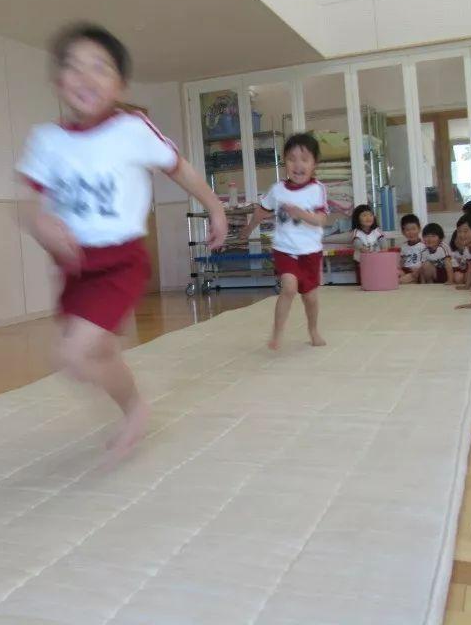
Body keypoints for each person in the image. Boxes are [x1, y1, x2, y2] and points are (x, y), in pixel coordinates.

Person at [17, 24, 227, 460]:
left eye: (100, 67)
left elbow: (179, 168)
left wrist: (215, 207)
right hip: (75, 264)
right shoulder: (47, 141)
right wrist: (39, 223)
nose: (86, 77)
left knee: (75, 355)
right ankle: (132, 405)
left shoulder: (132, 129)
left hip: (121, 261)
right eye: (74, 68)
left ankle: (134, 409)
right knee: (96, 354)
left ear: (120, 84)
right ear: (58, 83)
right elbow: (26, 202)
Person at [240, 133, 329, 349]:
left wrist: (302, 214)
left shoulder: (317, 190)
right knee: (288, 287)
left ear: (314, 164)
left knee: (310, 297)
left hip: (310, 252)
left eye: (304, 159)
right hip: (284, 249)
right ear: (284, 162)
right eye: (291, 158)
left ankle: (313, 329)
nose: (298, 165)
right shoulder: (277, 190)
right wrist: (248, 228)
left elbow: (321, 220)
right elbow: (261, 212)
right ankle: (277, 333)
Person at [452, 214, 471, 289]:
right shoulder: (466, 249)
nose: (461, 235)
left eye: (465, 231)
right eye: (459, 231)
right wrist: (467, 286)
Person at [398, 214, 425, 284]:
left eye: (413, 229)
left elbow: (425, 262)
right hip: (406, 270)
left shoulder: (423, 245)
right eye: (407, 230)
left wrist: (418, 270)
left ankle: (402, 281)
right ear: (403, 232)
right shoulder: (403, 246)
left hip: (417, 271)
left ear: (419, 229)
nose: (411, 232)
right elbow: (402, 261)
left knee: (400, 281)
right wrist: (399, 269)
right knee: (396, 273)